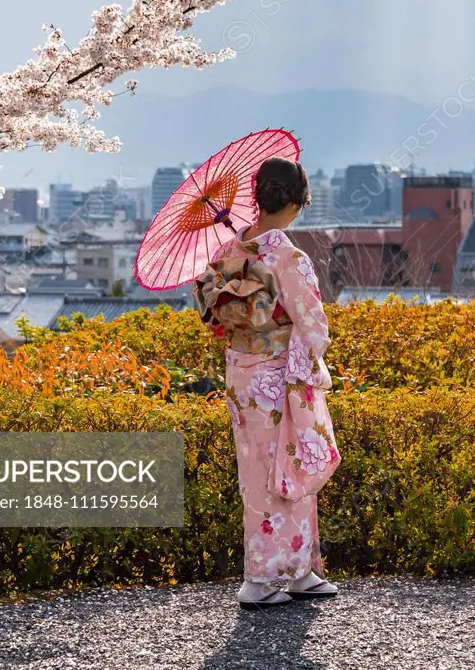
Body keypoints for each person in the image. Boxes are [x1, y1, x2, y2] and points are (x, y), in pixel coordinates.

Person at [192, 156, 341, 609]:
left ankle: (299, 572)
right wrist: (302, 356)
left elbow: (215, 315)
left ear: (257, 198)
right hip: (279, 378)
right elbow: (314, 326)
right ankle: (259, 578)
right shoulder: (288, 257)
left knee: (266, 470)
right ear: (297, 203)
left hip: (242, 374)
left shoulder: (229, 251)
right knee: (281, 470)